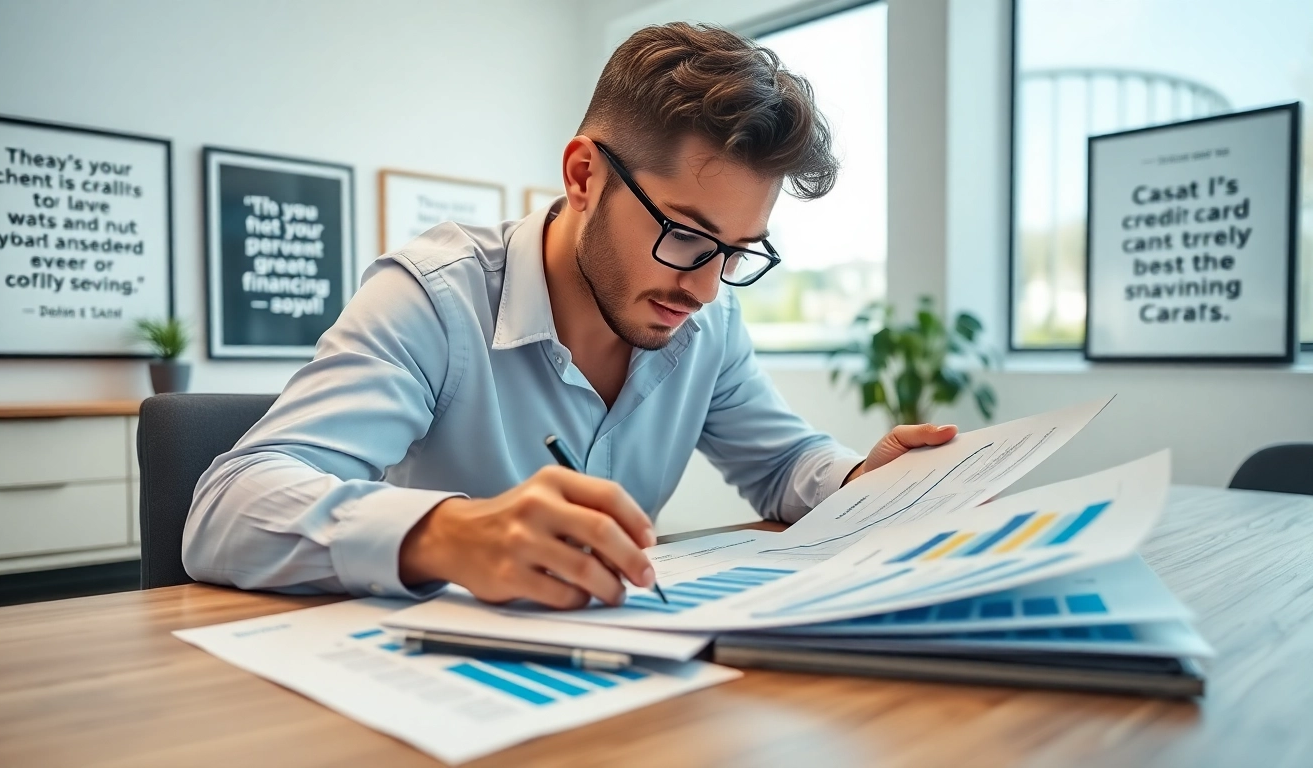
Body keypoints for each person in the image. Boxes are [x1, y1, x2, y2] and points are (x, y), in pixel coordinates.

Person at [184, 22, 957, 610]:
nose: (707, 289)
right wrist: (449, 534)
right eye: (684, 235)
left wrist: (861, 480)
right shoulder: (434, 296)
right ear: (585, 175)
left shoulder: (703, 322)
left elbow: (784, 465)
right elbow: (228, 507)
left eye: (736, 251)